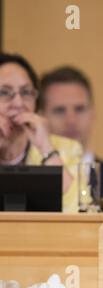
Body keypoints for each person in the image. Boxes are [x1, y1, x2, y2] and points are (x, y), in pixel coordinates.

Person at [0, 53, 82, 212]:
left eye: (26, 92)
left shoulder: (67, 148)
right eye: (4, 92)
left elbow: (80, 212)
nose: (18, 103)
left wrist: (46, 149)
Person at [38, 66, 103, 200]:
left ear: (92, 114)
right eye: (59, 110)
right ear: (41, 117)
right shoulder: (28, 182)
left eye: (79, 109)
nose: (71, 120)